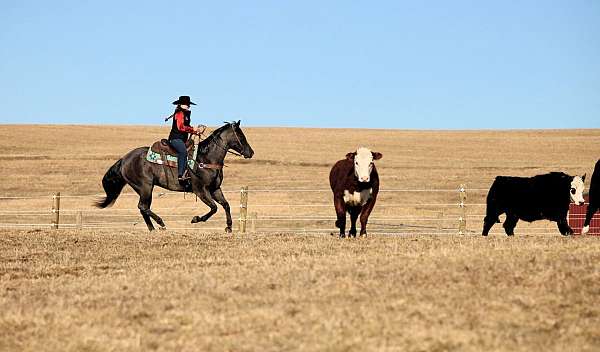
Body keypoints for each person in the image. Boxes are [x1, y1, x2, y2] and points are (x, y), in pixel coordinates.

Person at [168, 96, 201, 183]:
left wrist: (194, 131)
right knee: (183, 152)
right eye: (186, 104)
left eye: (188, 104)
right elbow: (180, 127)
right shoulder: (179, 113)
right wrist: (192, 130)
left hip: (181, 139)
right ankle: (180, 175)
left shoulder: (185, 113)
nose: (188, 106)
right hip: (175, 138)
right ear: (181, 104)